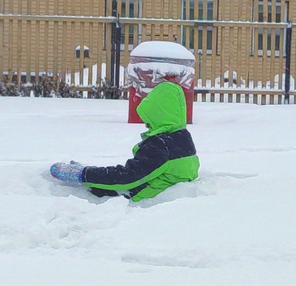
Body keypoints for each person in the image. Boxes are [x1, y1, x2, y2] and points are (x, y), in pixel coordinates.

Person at [49, 81, 199, 200]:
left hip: (142, 198)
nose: (146, 124)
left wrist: (84, 174)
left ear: (159, 113)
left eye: (149, 119)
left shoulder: (161, 145)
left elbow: (127, 177)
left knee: (92, 192)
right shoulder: (182, 137)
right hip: (161, 190)